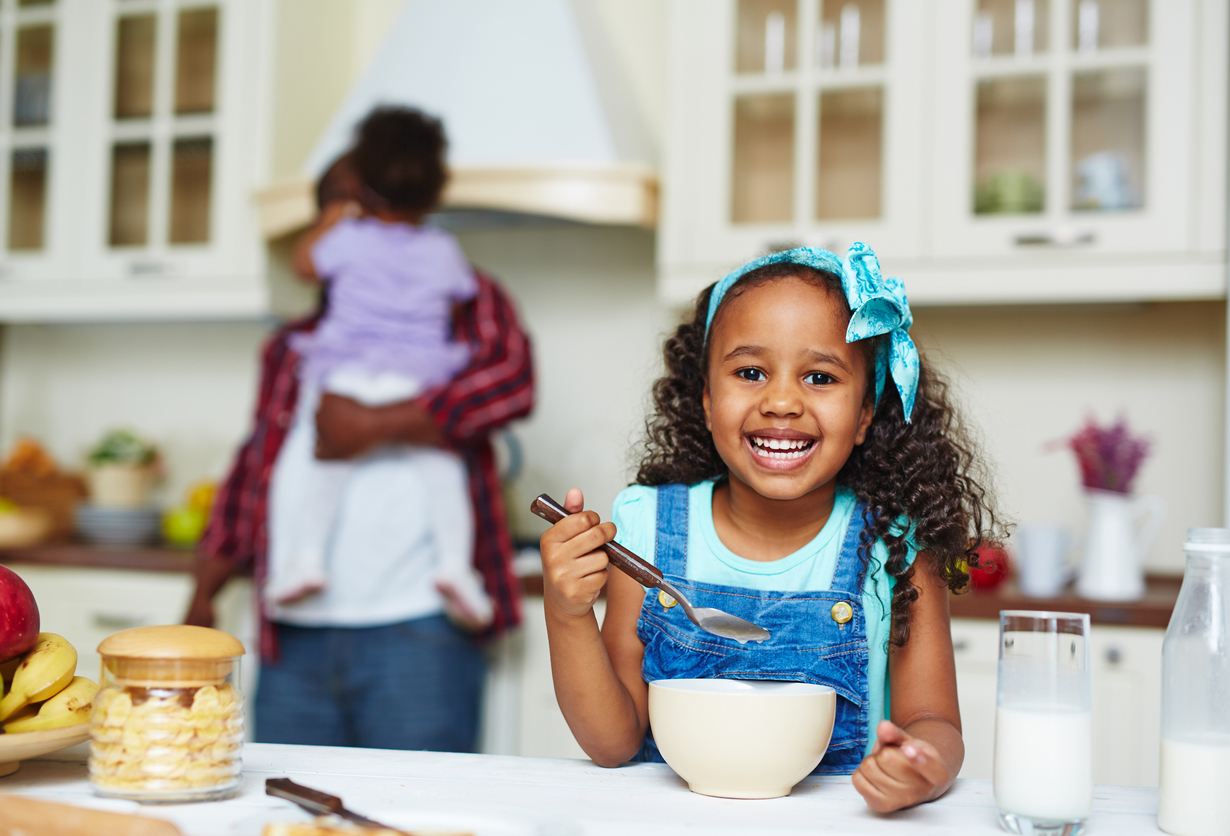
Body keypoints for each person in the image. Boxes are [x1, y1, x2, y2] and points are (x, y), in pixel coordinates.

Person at [538, 244, 1003, 812]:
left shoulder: (896, 546)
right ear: (708, 401)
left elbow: (933, 722)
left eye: (819, 376)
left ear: (864, 414)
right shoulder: (644, 523)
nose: (781, 401)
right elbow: (613, 742)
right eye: (750, 372)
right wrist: (566, 613)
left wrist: (921, 768)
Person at [185, 150, 535, 753]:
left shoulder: (461, 306)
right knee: (284, 810)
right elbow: (253, 471)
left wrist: (373, 423)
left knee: (417, 814)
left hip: (421, 630)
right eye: (356, 211)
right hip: (292, 635)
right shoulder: (290, 349)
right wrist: (204, 589)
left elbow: (512, 382)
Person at [269, 106, 490, 628]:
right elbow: (458, 304)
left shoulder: (345, 240)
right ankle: (457, 567)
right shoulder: (443, 250)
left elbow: (304, 264)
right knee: (441, 473)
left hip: (347, 369)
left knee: (328, 465)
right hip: (414, 376)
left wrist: (334, 216)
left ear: (362, 185)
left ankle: (306, 560)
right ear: (435, 190)